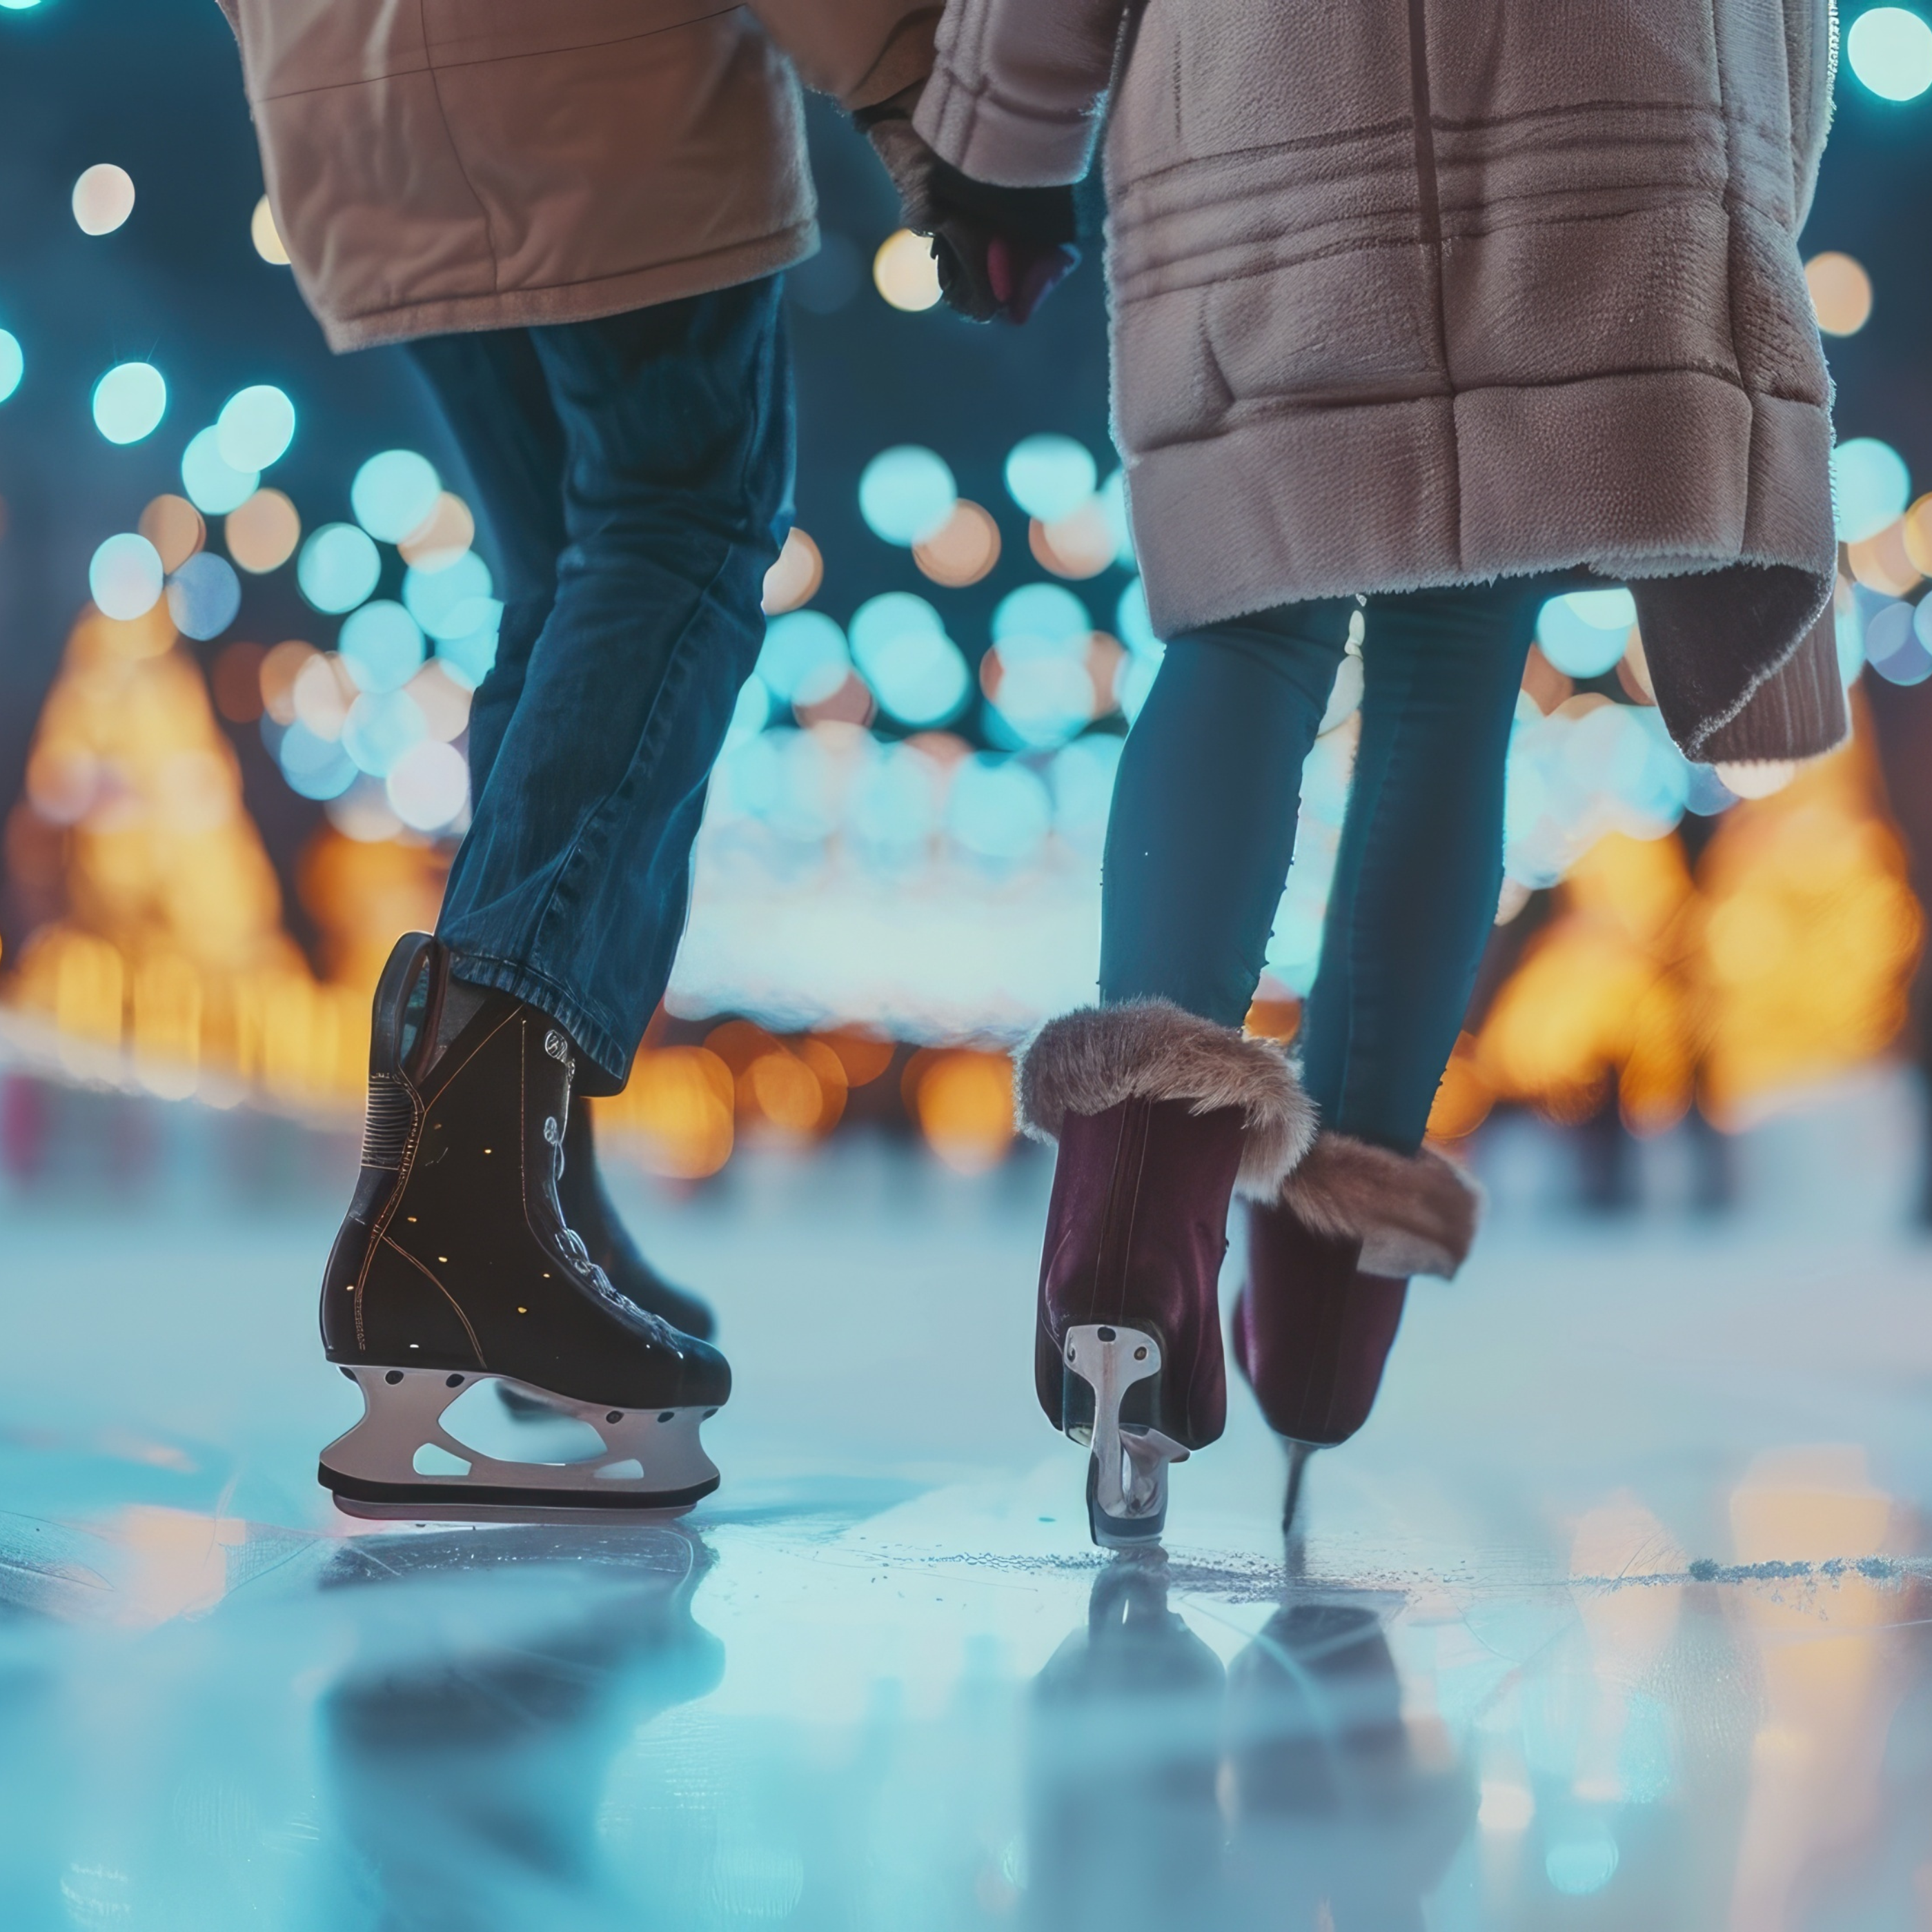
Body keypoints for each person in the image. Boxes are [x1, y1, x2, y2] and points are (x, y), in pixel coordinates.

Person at [904, 0, 1846, 1544]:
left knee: (1250, 626)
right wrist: (1753, 180)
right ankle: (1328, 1318)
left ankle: (1128, 1226)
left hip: (1273, 94)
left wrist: (995, 144)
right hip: (1601, 99)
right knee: (1454, 671)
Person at [210, 0, 1060, 1516]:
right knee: (681, 524)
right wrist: (926, 98)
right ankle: (470, 1199)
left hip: (353, 111)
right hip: (593, 95)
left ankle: (518, 1187)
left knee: (568, 577)